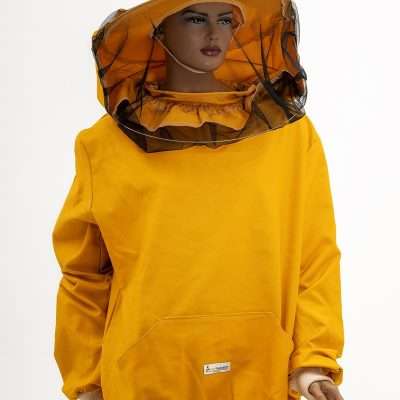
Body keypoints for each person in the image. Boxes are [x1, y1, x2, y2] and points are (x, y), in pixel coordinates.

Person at [51, 1, 345, 399]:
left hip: (261, 370)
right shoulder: (104, 145)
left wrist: (313, 362)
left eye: (225, 20)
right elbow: (84, 275)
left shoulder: (290, 137)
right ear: (159, 29)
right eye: (195, 18)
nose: (214, 33)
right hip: (146, 378)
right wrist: (87, 383)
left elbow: (315, 256)